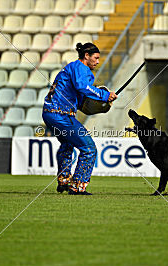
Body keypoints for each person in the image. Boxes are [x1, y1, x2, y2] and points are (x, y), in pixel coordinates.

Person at [42, 42, 117, 195]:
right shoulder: (81, 68)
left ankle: (64, 180)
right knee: (89, 148)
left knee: (68, 145)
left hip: (49, 113)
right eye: (95, 58)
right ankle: (77, 186)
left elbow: (83, 100)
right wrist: (105, 95)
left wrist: (103, 103)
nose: (97, 61)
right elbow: (83, 87)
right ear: (86, 56)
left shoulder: (71, 68)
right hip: (61, 114)